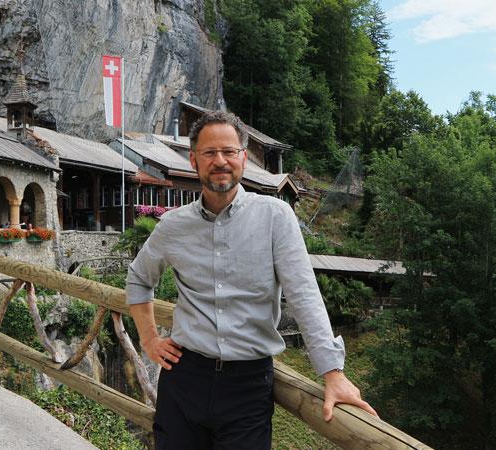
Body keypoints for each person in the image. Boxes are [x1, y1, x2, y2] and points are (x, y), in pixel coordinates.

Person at [126, 111, 376, 449]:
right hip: (184, 377)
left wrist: (333, 372)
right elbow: (138, 278)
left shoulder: (275, 216)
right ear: (194, 160)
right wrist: (149, 339)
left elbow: (303, 294)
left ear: (243, 157)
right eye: (209, 152)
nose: (220, 161)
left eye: (229, 151)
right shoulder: (173, 225)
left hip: (248, 386)